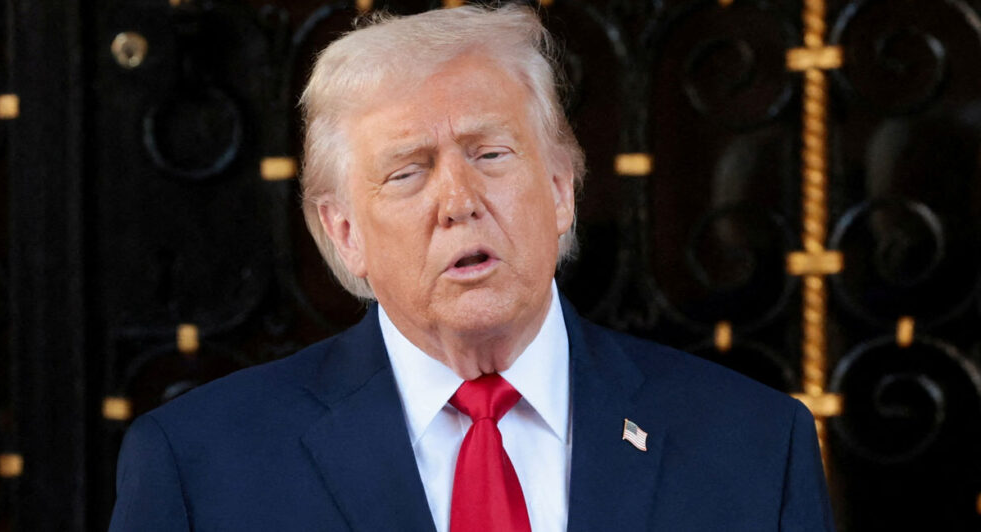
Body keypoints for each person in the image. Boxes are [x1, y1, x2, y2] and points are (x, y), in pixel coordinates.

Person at [109, 5, 835, 531]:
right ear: (344, 232)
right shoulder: (200, 465)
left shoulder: (753, 445)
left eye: (490, 154)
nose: (458, 201)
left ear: (560, 190)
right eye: (407, 172)